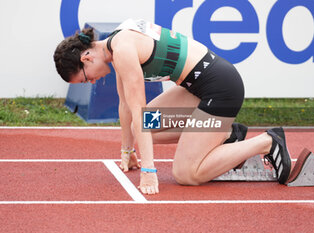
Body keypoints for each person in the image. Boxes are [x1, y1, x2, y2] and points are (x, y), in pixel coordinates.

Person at [54, 19, 291, 195]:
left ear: (86, 58)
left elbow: (137, 110)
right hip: (196, 89)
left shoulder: (123, 49)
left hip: (221, 89)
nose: (92, 82)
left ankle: (267, 142)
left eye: (86, 79)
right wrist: (127, 151)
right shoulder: (115, 49)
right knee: (145, 126)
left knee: (186, 174)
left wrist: (149, 171)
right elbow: (125, 105)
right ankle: (227, 134)